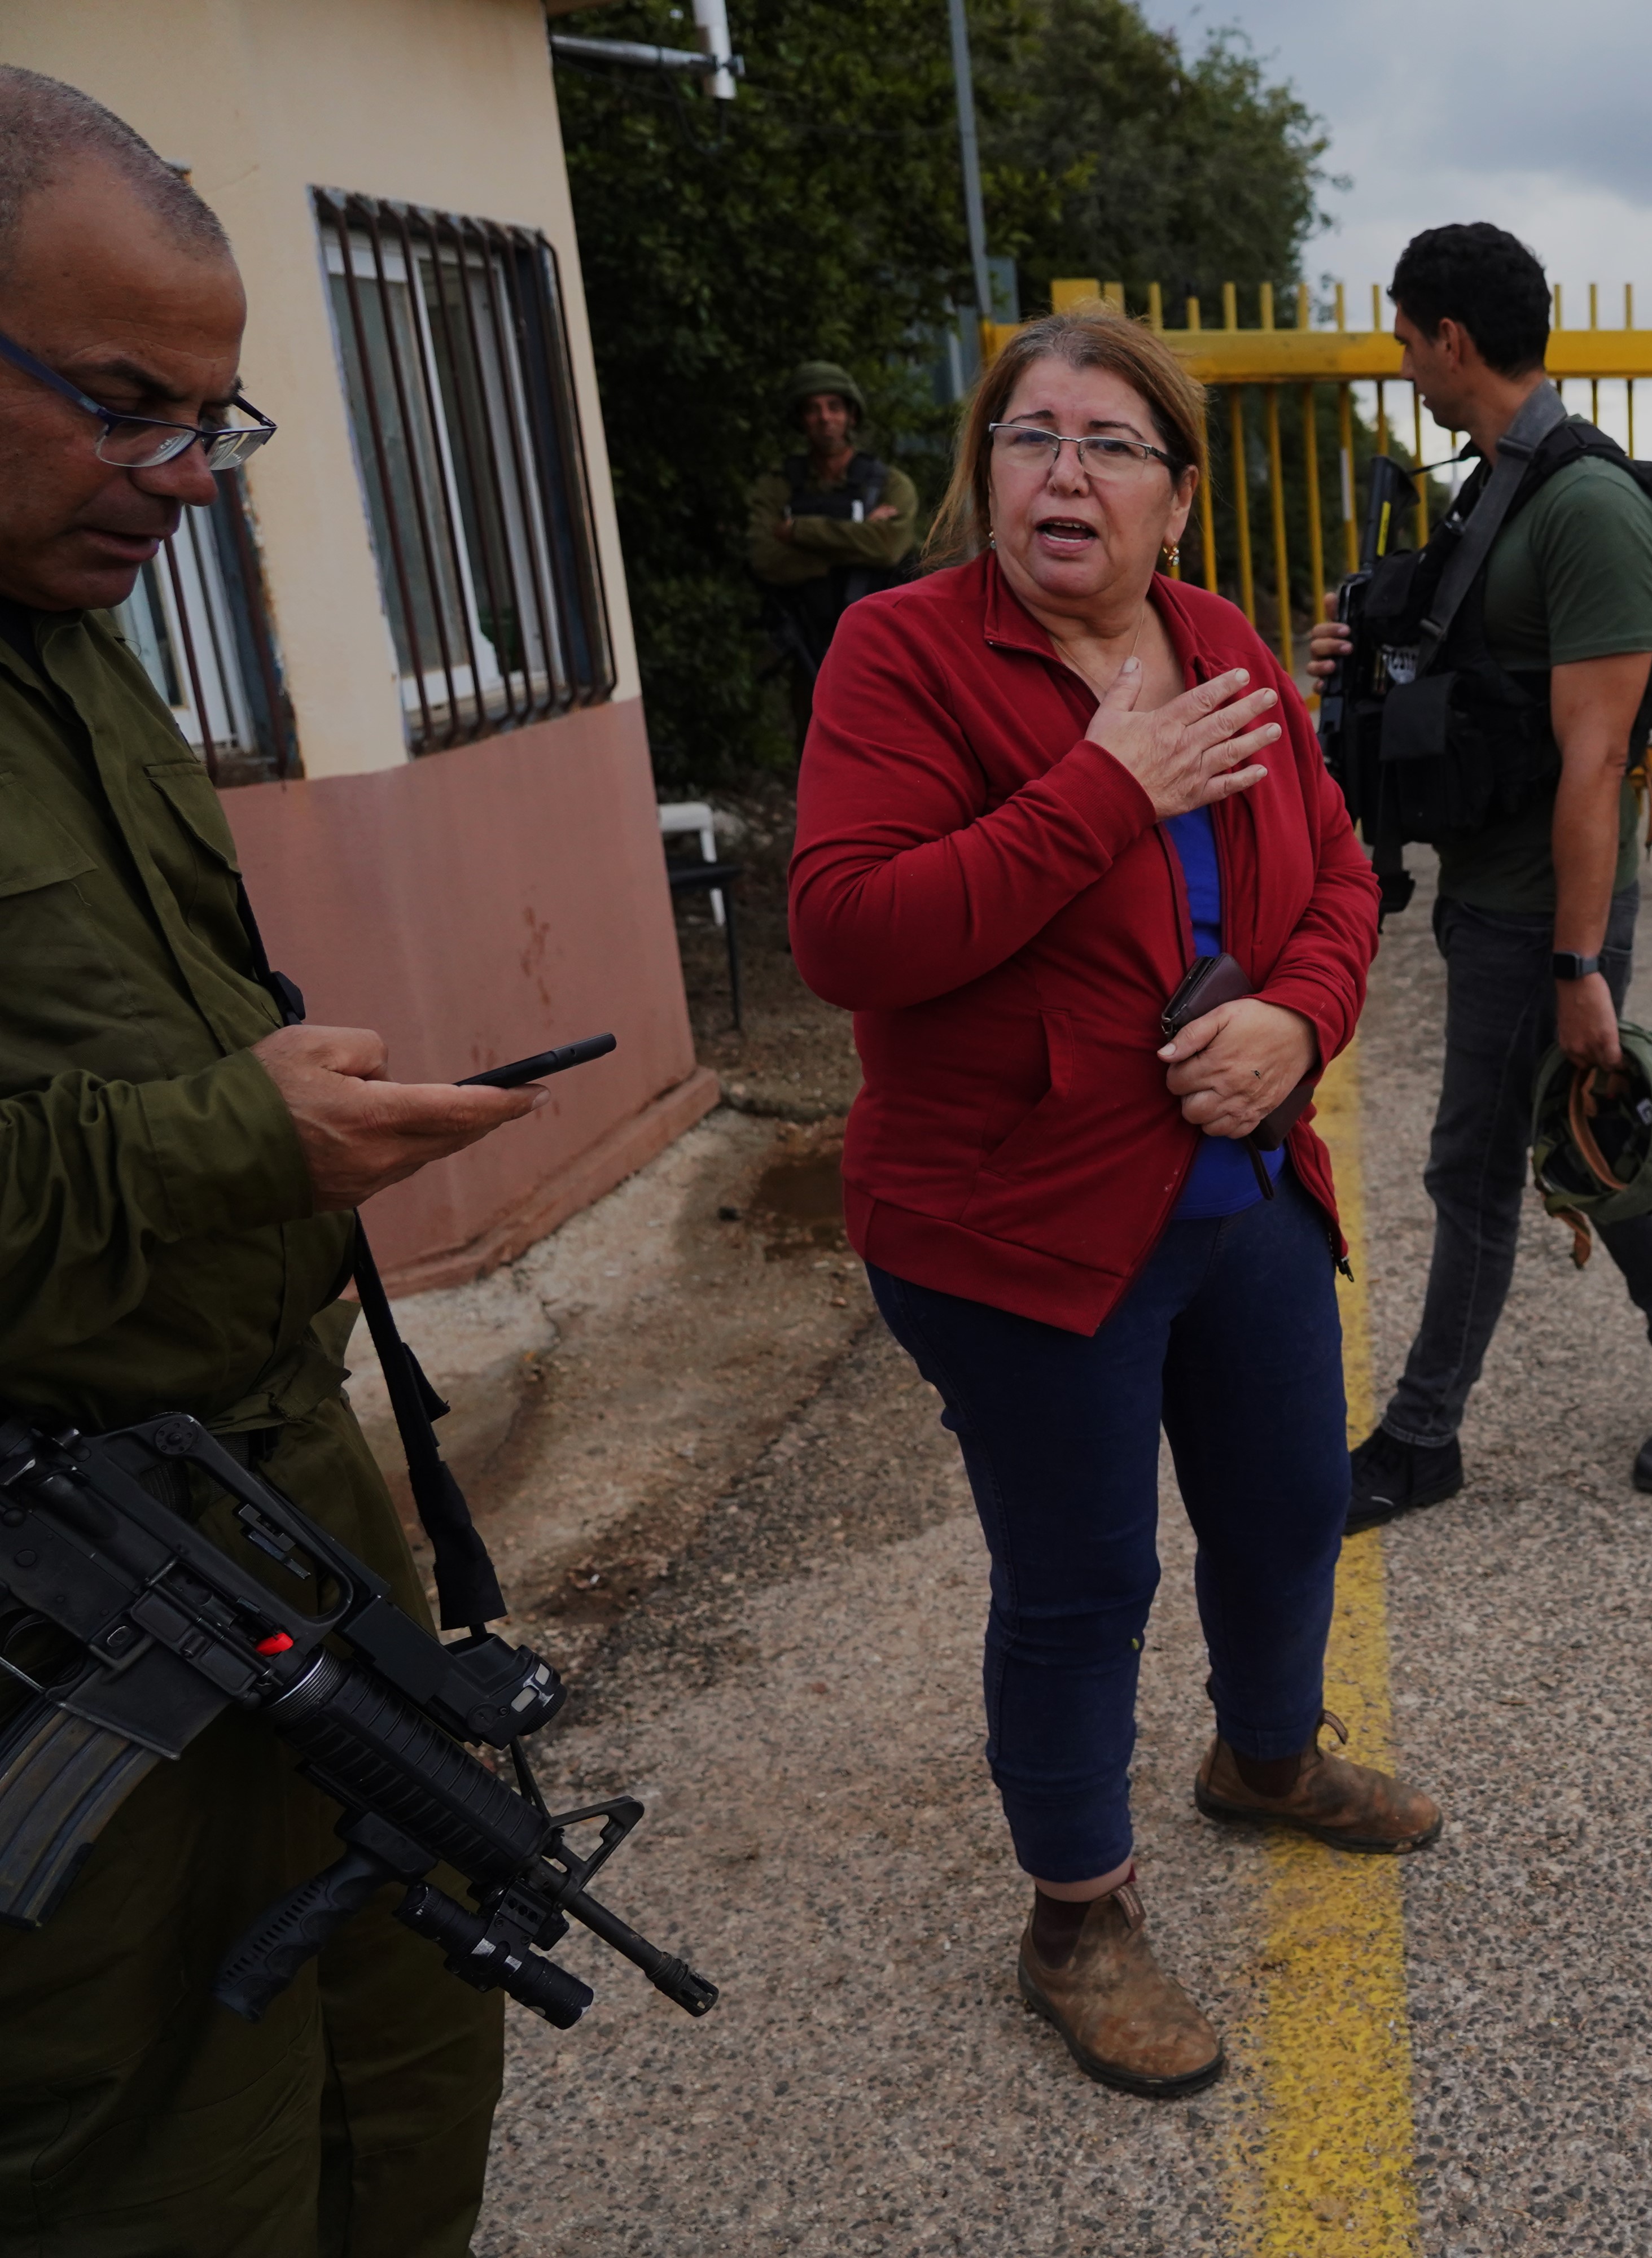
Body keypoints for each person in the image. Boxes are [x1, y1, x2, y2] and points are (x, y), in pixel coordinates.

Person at [0, 68, 546, 2255]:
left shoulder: (70, 635)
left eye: (211, 426)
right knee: (151, 2165)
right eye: (126, 402)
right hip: (54, 1616)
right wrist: (249, 1131)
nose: (182, 483)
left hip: (261, 1518)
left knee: (413, 2016)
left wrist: (269, 1101)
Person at [788, 305, 1436, 2100]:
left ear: (1176, 501)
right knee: (1081, 1577)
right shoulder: (899, 653)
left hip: (1233, 1186)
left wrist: (1296, 1019)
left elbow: (1339, 882)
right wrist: (1102, 787)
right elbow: (848, 930)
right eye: (1025, 436)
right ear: (982, 469)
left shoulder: (1221, 643)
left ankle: (1263, 1759)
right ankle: (1075, 1914)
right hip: (1010, 1218)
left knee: (1294, 1499)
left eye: (1105, 445)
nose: (1059, 472)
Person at [1316, 224, 1652, 1526]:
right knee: (1571, 1139)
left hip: (1541, 908)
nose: (1401, 364)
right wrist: (1366, 646)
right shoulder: (1489, 484)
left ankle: (1421, 1434)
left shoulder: (1588, 506)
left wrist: (1576, 965)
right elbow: (1470, 670)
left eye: (1404, 339)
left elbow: (1596, 756)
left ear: (1452, 337)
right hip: (1489, 886)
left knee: (1473, 1166)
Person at [746, 358, 919, 733]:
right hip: (811, 645)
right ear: (800, 420)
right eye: (813, 409)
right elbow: (764, 558)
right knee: (817, 750)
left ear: (851, 414)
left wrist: (800, 532)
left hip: (885, 648)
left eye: (834, 407)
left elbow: (889, 547)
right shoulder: (779, 486)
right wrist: (853, 545)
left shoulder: (890, 485)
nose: (825, 418)